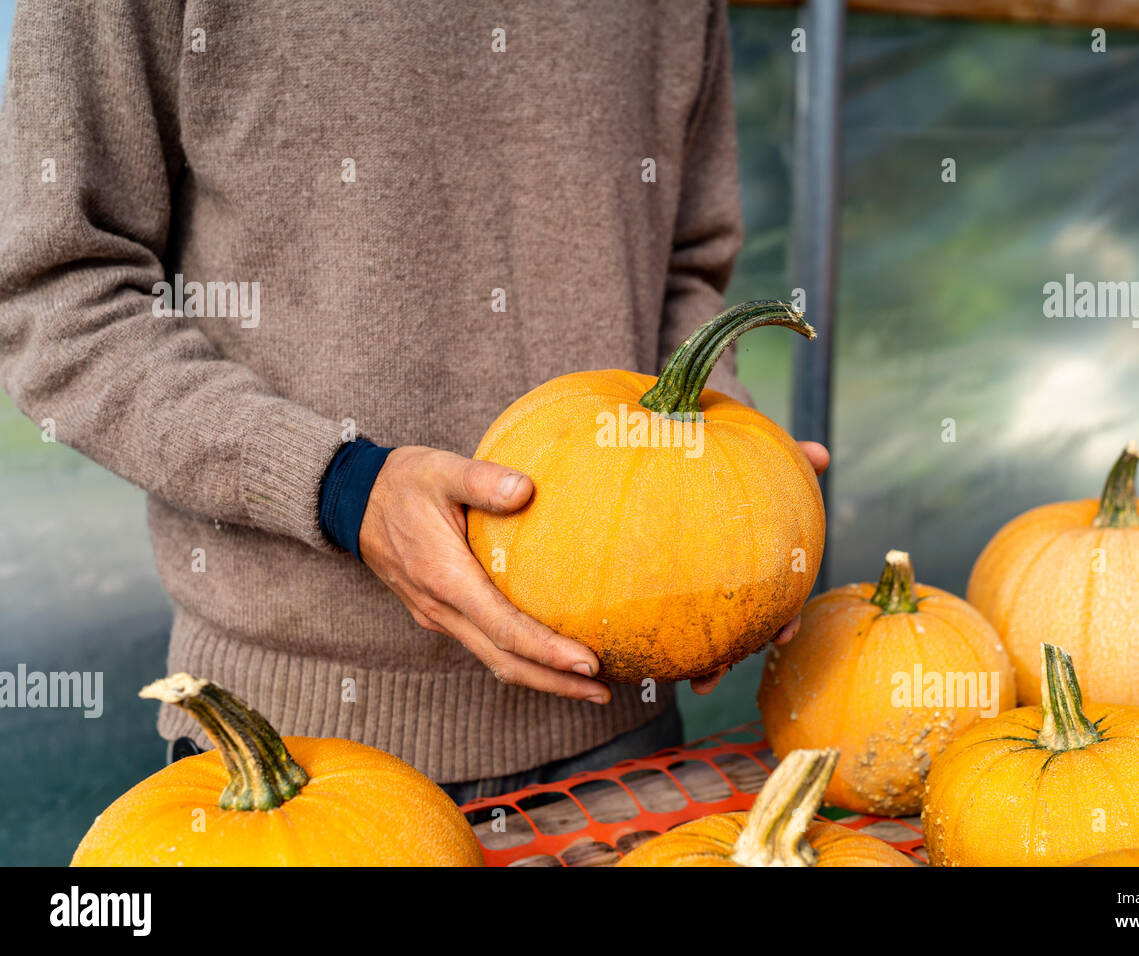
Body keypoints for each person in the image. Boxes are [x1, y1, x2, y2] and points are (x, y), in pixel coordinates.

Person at [0, 0, 827, 803]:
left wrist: (732, 502)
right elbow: (55, 296)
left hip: (628, 738)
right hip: (296, 761)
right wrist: (342, 487)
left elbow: (679, 269)